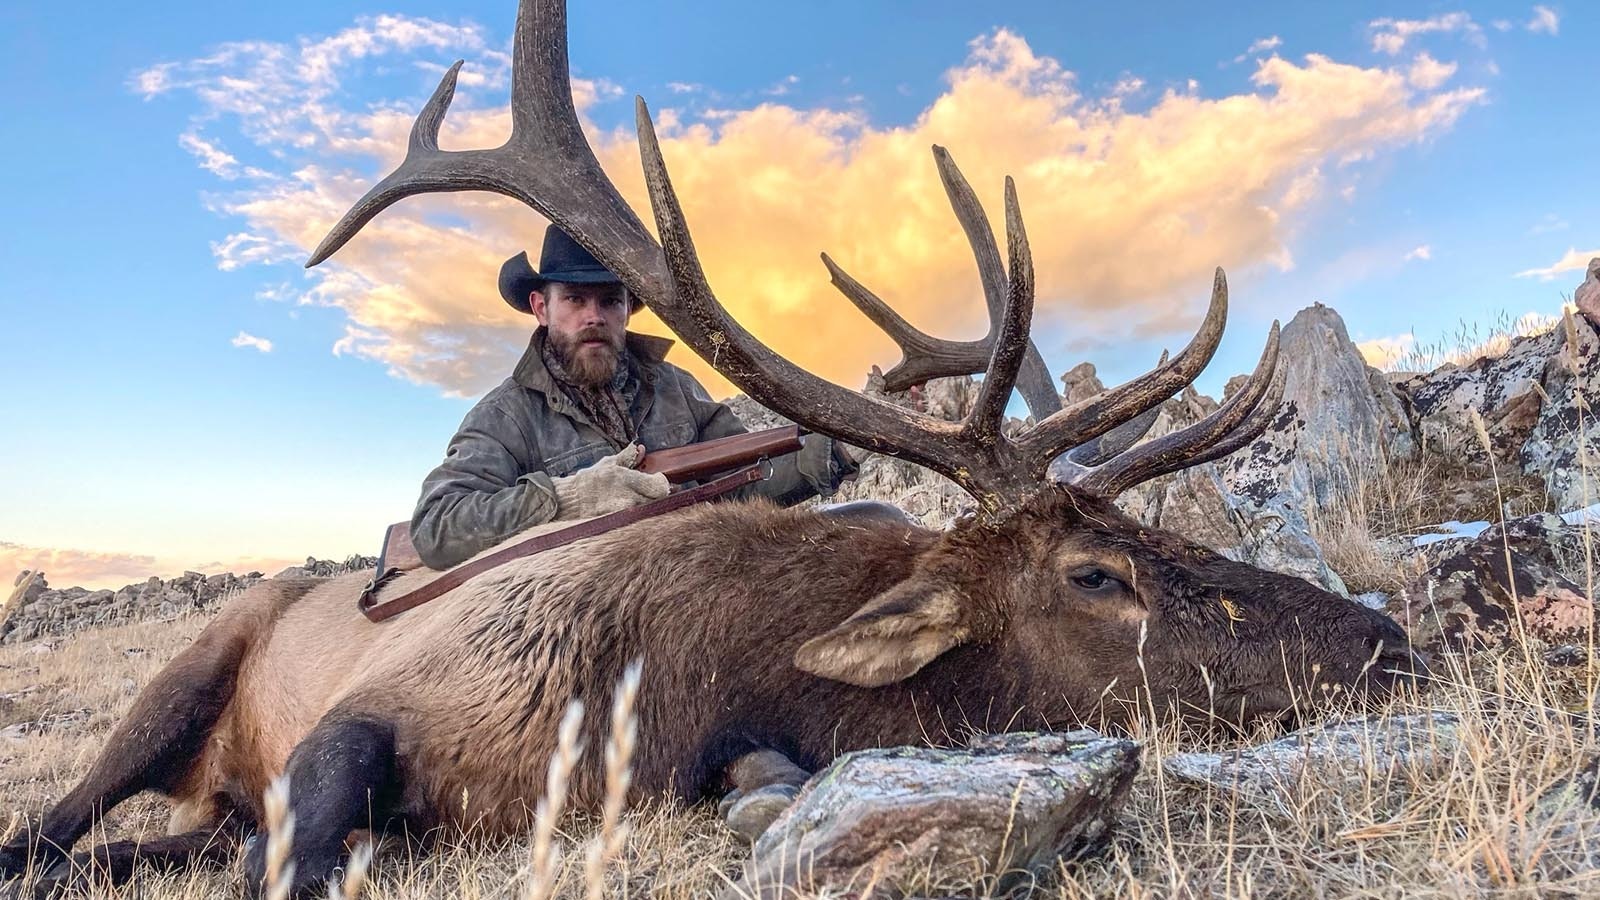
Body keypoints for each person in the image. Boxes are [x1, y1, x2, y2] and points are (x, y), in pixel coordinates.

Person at [410, 226, 860, 570]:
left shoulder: (677, 389)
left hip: (699, 581)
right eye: (575, 299)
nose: (594, 316)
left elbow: (746, 481)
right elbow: (437, 526)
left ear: (627, 309)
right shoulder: (505, 417)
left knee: (869, 520)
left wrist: (835, 450)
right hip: (580, 618)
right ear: (541, 308)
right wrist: (568, 498)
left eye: (610, 300)